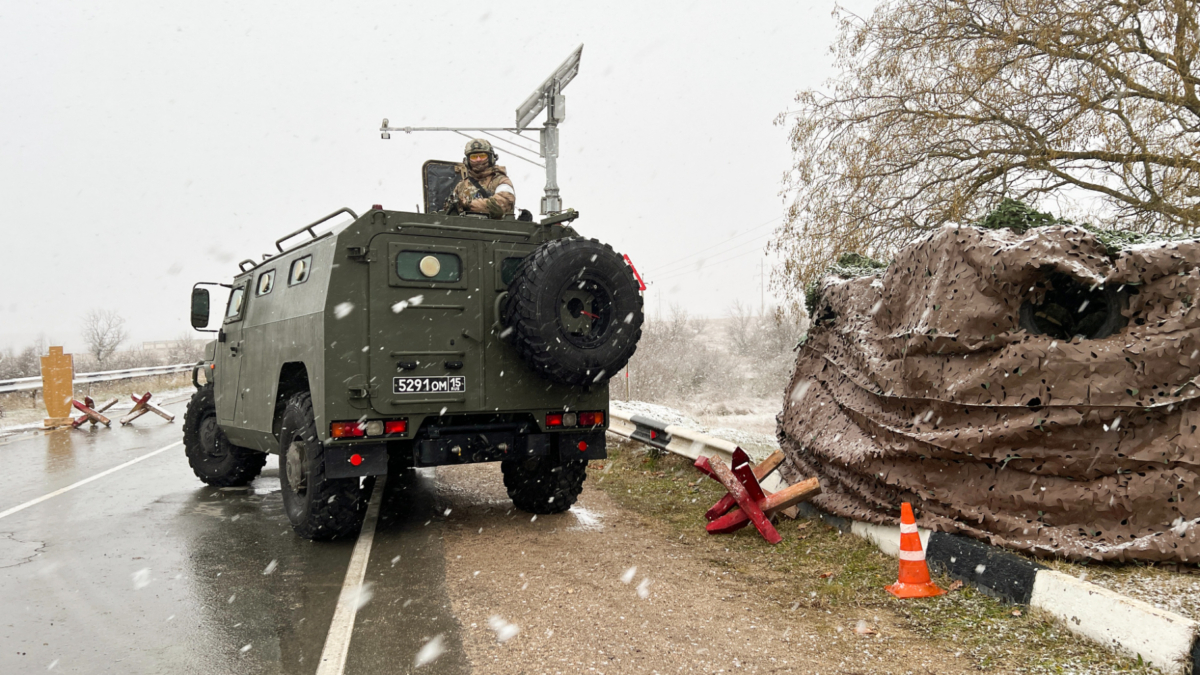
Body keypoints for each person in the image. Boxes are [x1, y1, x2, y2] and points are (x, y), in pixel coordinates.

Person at [447, 139, 516, 219]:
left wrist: (467, 204)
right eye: (474, 157)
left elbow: (500, 206)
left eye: (482, 156)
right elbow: (449, 214)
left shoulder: (501, 181)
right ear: (467, 161)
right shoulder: (461, 186)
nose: (478, 160)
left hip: (494, 229)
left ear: (491, 158)